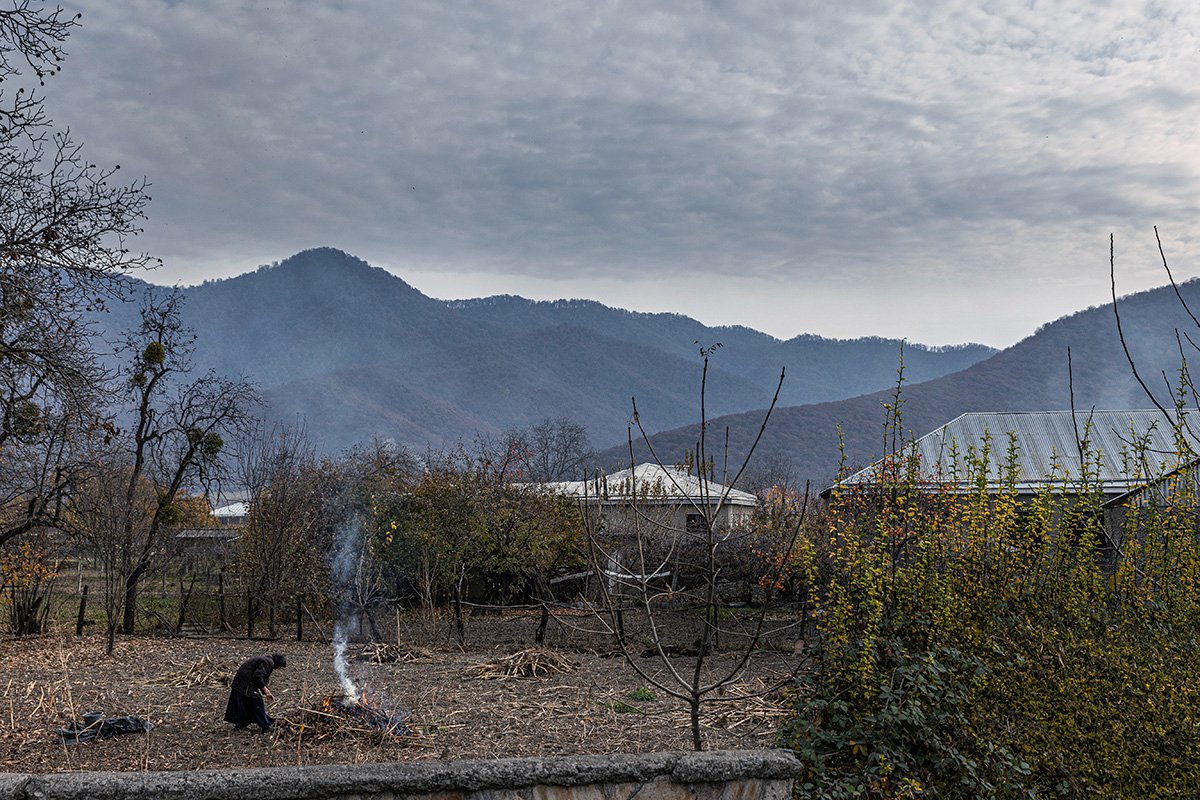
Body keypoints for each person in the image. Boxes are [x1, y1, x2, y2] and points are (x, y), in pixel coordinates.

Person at [224, 653, 287, 731]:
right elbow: (258, 676)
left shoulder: (266, 659)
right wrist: (265, 690)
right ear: (278, 664)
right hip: (246, 683)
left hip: (240, 683)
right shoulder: (269, 663)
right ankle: (266, 726)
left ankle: (241, 723)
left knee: (245, 704)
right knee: (256, 703)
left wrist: (265, 691)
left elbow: (260, 678)